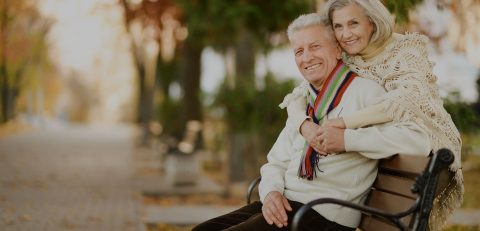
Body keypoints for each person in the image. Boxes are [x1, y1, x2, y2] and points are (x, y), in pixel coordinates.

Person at [192, 13, 430, 231]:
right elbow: (276, 162)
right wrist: (272, 192)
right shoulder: (302, 99)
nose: (307, 57)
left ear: (337, 50)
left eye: (315, 46)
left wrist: (346, 139)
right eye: (299, 51)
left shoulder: (366, 92)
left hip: (325, 213)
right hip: (288, 204)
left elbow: (417, 140)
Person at [284, 1, 463, 230]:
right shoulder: (351, 55)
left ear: (372, 21)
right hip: (394, 144)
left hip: (434, 145)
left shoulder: (405, 51)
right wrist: (304, 126)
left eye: (353, 23)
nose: (345, 34)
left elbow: (402, 102)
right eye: (338, 26)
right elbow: (297, 96)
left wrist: (342, 123)